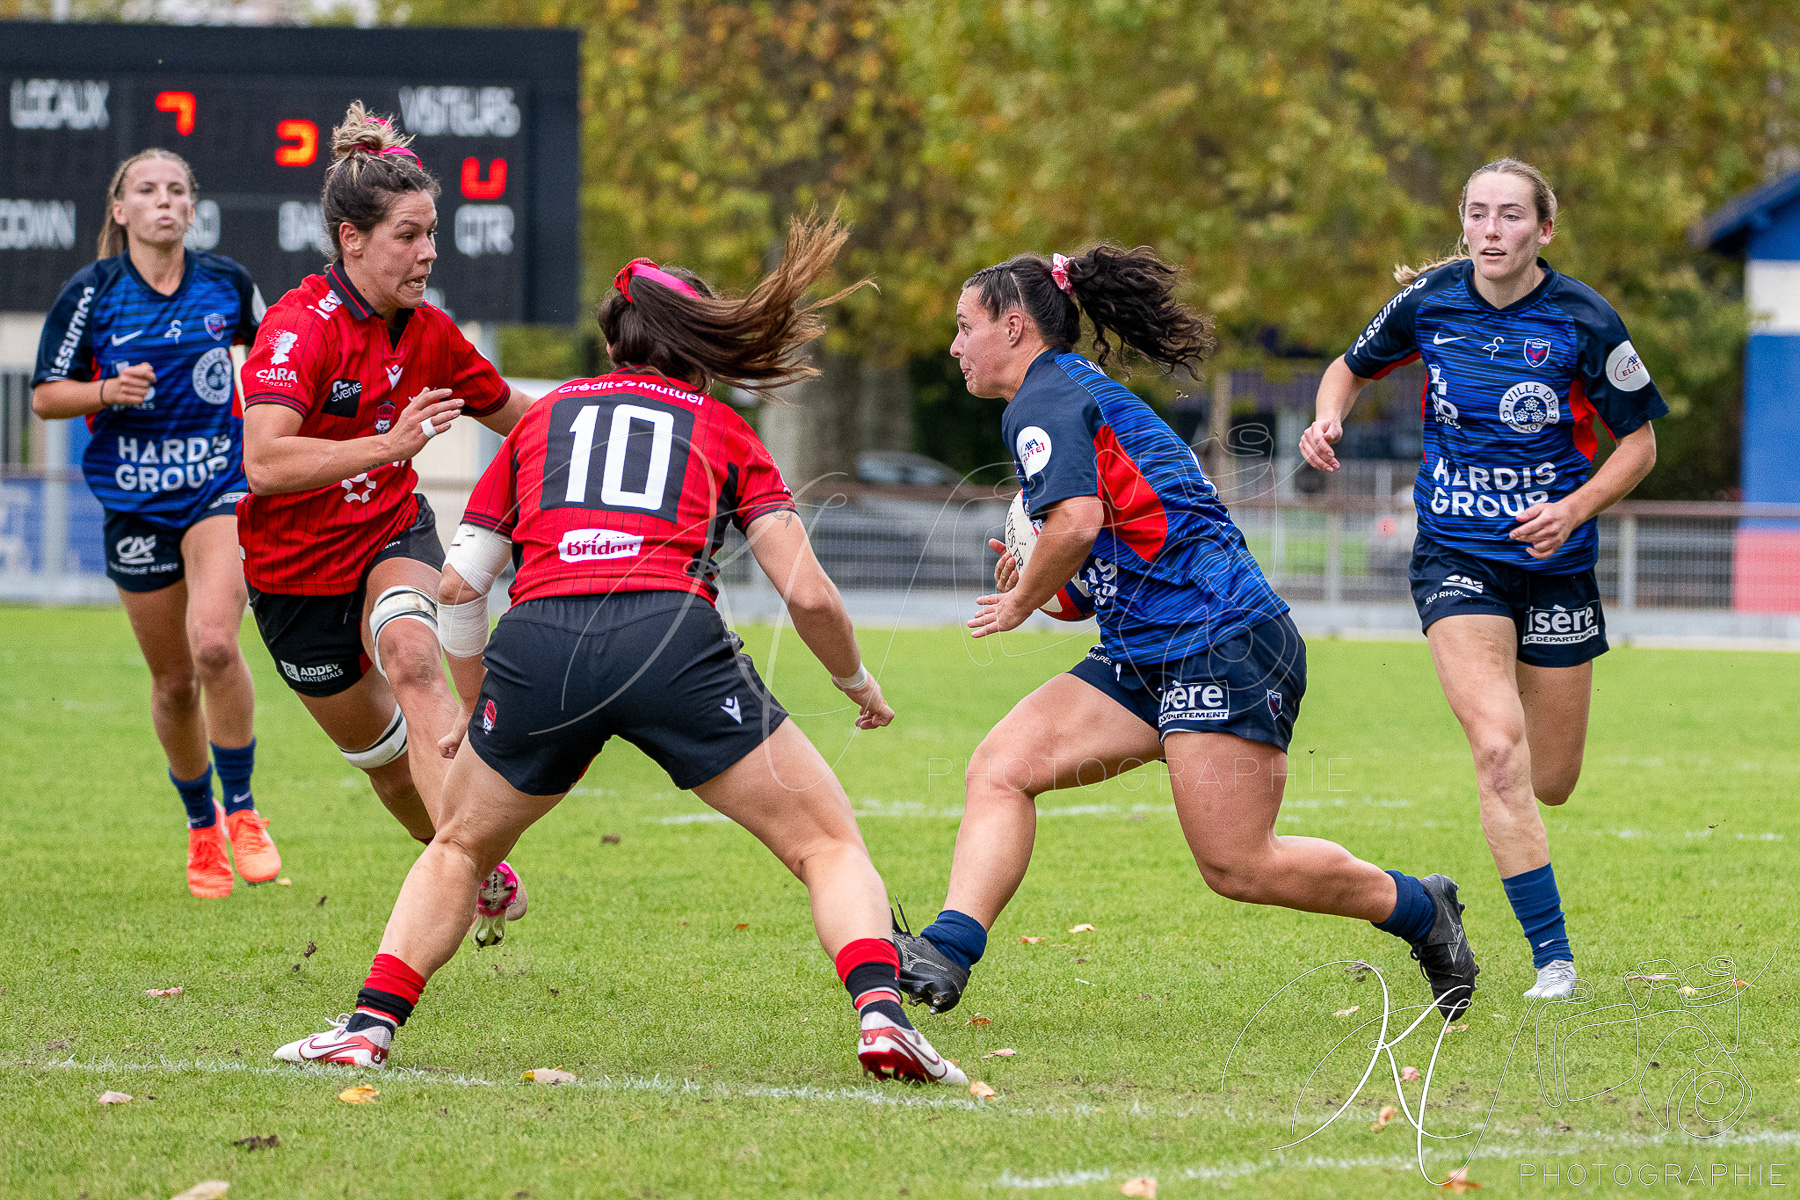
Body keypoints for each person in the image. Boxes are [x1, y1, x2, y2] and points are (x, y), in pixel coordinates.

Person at [270, 215, 967, 1084]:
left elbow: (458, 584)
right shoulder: (722, 428)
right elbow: (810, 592)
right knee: (826, 844)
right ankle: (880, 1017)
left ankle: (368, 1028)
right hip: (668, 641)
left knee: (457, 847)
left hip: (541, 645)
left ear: (614, 340)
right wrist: (856, 682)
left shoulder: (544, 418)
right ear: (696, 346)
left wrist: (480, 704)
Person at [890, 246, 1480, 1021]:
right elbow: (1112, 546)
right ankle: (947, 949)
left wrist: (1022, 600)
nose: (957, 346)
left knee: (1239, 865)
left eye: (965, 328)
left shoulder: (1043, 400)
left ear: (1013, 325)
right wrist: (1055, 586)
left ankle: (1421, 910)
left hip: (1223, 640)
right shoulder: (1071, 395)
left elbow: (1074, 523)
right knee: (1003, 765)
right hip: (1148, 648)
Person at [1298, 158, 1665, 1001]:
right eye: (1477, 213)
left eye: (1510, 215)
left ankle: (1524, 850)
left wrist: (1573, 509)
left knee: (1551, 779)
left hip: (1556, 564)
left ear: (1544, 230)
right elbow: (1347, 367)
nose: (1492, 229)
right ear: (1462, 224)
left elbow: (1639, 444)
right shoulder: (1431, 301)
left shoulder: (1583, 318)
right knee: (1498, 749)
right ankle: (1554, 961)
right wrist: (1329, 416)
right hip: (1455, 556)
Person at [238, 104, 535, 943]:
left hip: (386, 537)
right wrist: (387, 443)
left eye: (432, 233)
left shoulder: (432, 333)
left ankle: (463, 861)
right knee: (388, 772)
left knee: (412, 653)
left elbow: (519, 414)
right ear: (351, 239)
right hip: (292, 579)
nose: (429, 251)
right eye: (409, 235)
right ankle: (462, 854)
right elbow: (264, 463)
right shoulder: (301, 328)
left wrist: (611, 421)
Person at [31, 149, 271, 899]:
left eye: (176, 190)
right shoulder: (93, 293)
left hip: (216, 490)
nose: (163, 201)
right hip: (135, 503)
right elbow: (45, 396)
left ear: (192, 208)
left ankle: (244, 810)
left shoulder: (226, 284)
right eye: (147, 190)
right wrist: (105, 391)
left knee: (213, 645)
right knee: (172, 685)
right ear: (121, 209)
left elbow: (272, 367)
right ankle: (201, 828)